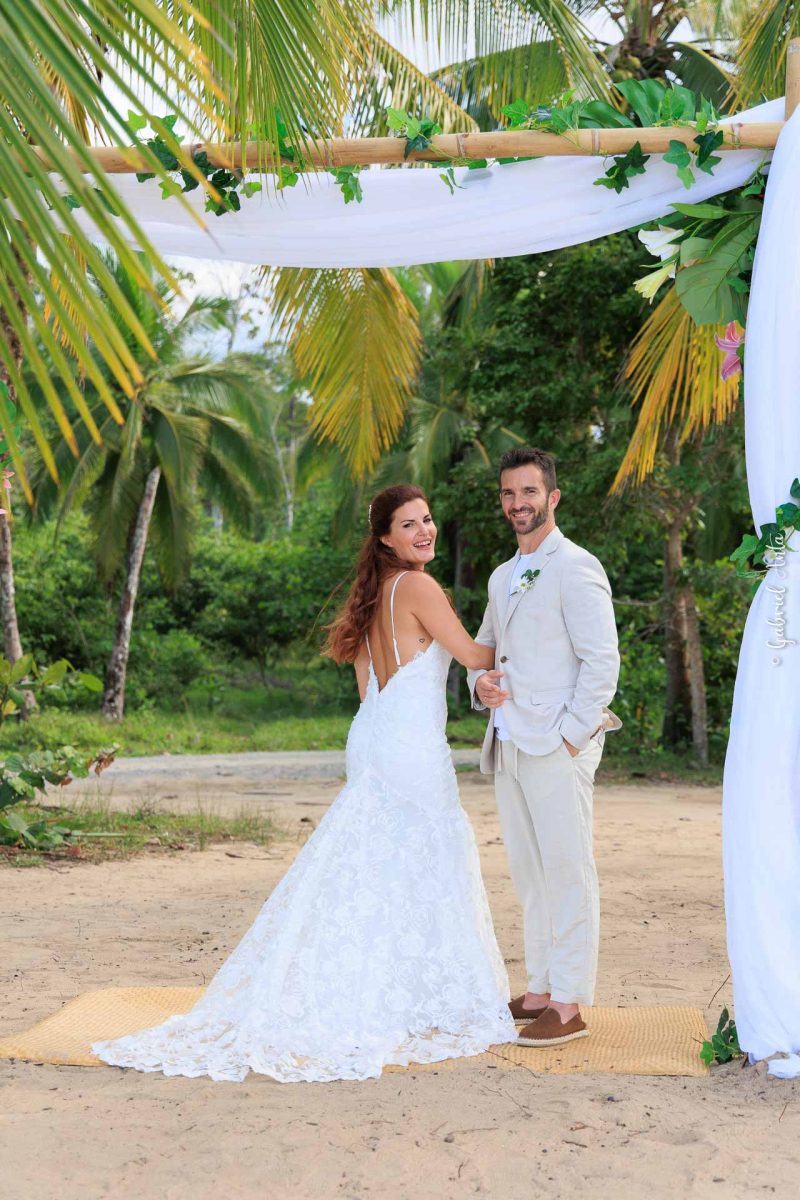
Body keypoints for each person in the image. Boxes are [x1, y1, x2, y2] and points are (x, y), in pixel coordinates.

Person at [92, 484, 516, 1083]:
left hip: (374, 732)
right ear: (385, 537)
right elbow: (474, 656)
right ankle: (410, 993)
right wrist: (520, 622)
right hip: (409, 745)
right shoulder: (419, 587)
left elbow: (368, 686)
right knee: (421, 857)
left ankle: (381, 984)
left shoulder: (372, 595)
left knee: (374, 865)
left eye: (427, 520)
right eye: (409, 524)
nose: (424, 531)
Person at [467, 447, 621, 1048]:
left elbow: (602, 661)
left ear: (552, 497)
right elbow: (485, 650)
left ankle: (569, 1001)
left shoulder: (576, 566)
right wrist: (479, 686)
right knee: (530, 872)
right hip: (509, 741)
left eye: (528, 492)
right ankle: (538, 990)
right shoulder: (501, 575)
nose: (518, 503)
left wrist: (571, 736)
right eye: (508, 493)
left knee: (568, 869)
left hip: (557, 743)